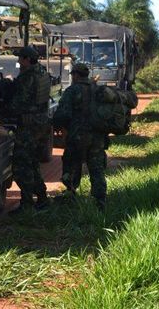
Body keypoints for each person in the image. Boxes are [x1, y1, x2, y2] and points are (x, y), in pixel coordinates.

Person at [53, 62, 108, 210]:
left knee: (72, 165)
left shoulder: (72, 90)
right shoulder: (98, 90)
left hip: (77, 136)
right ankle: (100, 202)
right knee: (96, 169)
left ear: (76, 75)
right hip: (97, 137)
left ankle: (70, 196)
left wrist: (56, 125)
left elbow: (63, 114)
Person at [9, 46, 51, 215]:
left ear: (27, 59)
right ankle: (42, 198)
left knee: (20, 166)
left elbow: (19, 103)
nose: (18, 60)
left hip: (29, 126)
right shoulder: (42, 73)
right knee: (33, 163)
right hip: (40, 124)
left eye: (20, 58)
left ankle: (27, 204)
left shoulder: (27, 77)